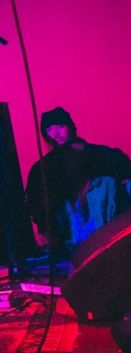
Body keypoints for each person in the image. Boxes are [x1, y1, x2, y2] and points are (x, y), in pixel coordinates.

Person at [25, 106, 131, 254]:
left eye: (60, 126)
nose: (55, 134)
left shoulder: (105, 155)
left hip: (111, 236)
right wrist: (47, 232)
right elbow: (36, 204)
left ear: (70, 126)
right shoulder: (41, 169)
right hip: (68, 243)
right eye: (49, 130)